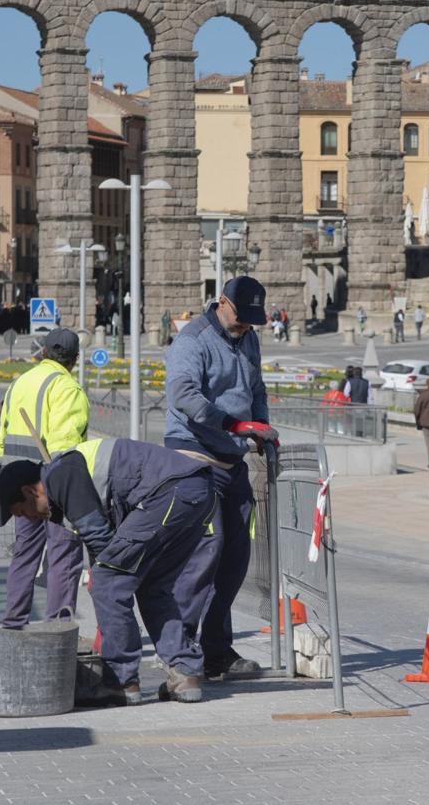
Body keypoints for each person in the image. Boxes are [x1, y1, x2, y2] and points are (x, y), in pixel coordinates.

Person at [0, 439, 215, 705]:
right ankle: (184, 673)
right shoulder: (64, 480)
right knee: (152, 587)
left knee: (108, 581)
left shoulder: (60, 474)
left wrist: (102, 576)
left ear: (30, 491)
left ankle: (121, 681)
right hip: (198, 490)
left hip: (169, 492)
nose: (29, 518)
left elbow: (97, 534)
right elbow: (107, 538)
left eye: (23, 512)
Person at [165, 276, 275, 679]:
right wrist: (232, 424)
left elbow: (256, 387)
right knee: (205, 553)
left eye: (252, 321)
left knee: (235, 558)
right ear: (222, 302)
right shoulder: (192, 340)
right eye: (241, 317)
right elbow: (184, 396)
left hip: (233, 457)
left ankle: (215, 650)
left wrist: (259, 425)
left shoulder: (248, 338)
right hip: (194, 456)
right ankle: (181, 652)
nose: (245, 326)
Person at [0, 328, 90, 630]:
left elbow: (2, 439)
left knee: (25, 555)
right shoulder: (66, 388)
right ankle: (57, 629)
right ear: (75, 359)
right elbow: (66, 448)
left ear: (44, 352)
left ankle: (13, 622)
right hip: (51, 490)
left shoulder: (20, 382)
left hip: (22, 488)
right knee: (64, 557)